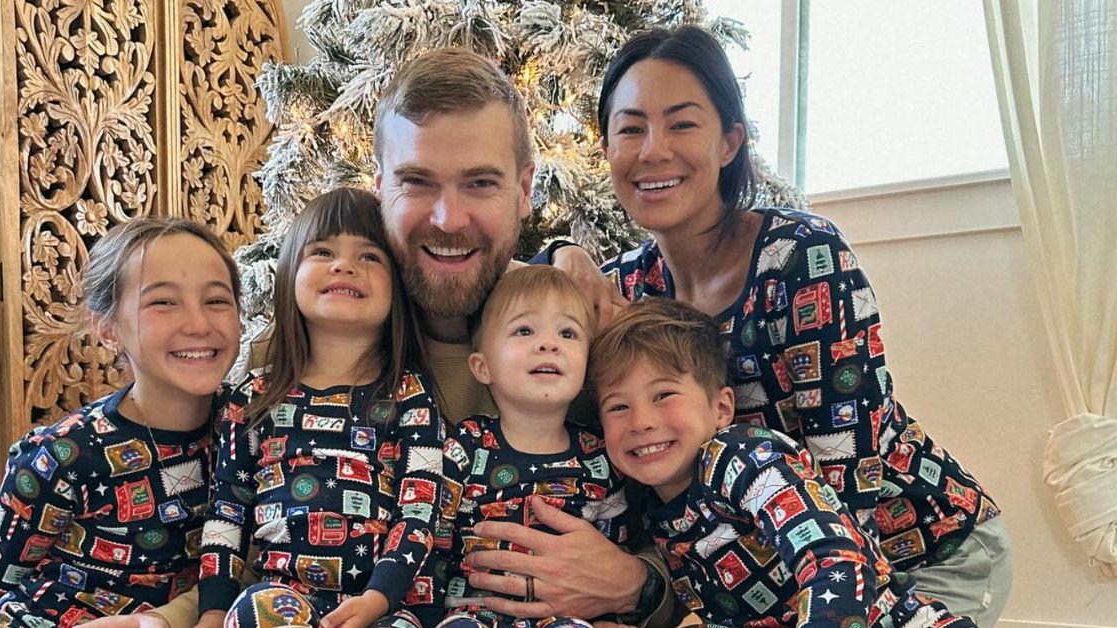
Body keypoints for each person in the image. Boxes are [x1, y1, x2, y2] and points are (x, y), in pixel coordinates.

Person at [539, 26, 1012, 625]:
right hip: (776, 580)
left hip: (916, 555)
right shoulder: (626, 289)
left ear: (730, 141)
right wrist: (563, 253)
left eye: (682, 123)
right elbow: (521, 311)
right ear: (606, 148)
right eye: (630, 128)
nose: (653, 150)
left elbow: (849, 479)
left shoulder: (801, 256)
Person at [372, 47, 675, 627]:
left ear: (525, 189)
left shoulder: (591, 345)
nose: (448, 219)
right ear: (380, 184)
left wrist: (636, 584)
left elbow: (695, 526)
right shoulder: (317, 346)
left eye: (481, 182)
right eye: (416, 182)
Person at [591, 298, 975, 627]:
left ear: (722, 407)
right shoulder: (643, 508)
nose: (641, 421)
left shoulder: (742, 458)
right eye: (619, 406)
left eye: (663, 395)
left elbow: (837, 561)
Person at [0, 218, 243, 627]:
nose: (199, 324)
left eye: (217, 301)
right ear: (108, 329)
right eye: (163, 302)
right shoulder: (60, 456)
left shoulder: (253, 428)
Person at [195, 188, 444, 628]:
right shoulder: (251, 398)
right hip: (281, 598)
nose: (344, 265)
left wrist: (378, 598)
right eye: (322, 251)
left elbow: (420, 510)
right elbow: (227, 512)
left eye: (370, 256)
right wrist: (212, 611)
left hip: (386, 604)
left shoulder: (409, 396)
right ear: (290, 273)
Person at [432, 265, 628, 628]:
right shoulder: (466, 445)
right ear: (482, 366)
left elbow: (613, 549)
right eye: (525, 330)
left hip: (564, 617)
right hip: (472, 611)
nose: (549, 343)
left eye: (568, 333)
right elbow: (435, 538)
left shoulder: (599, 454)